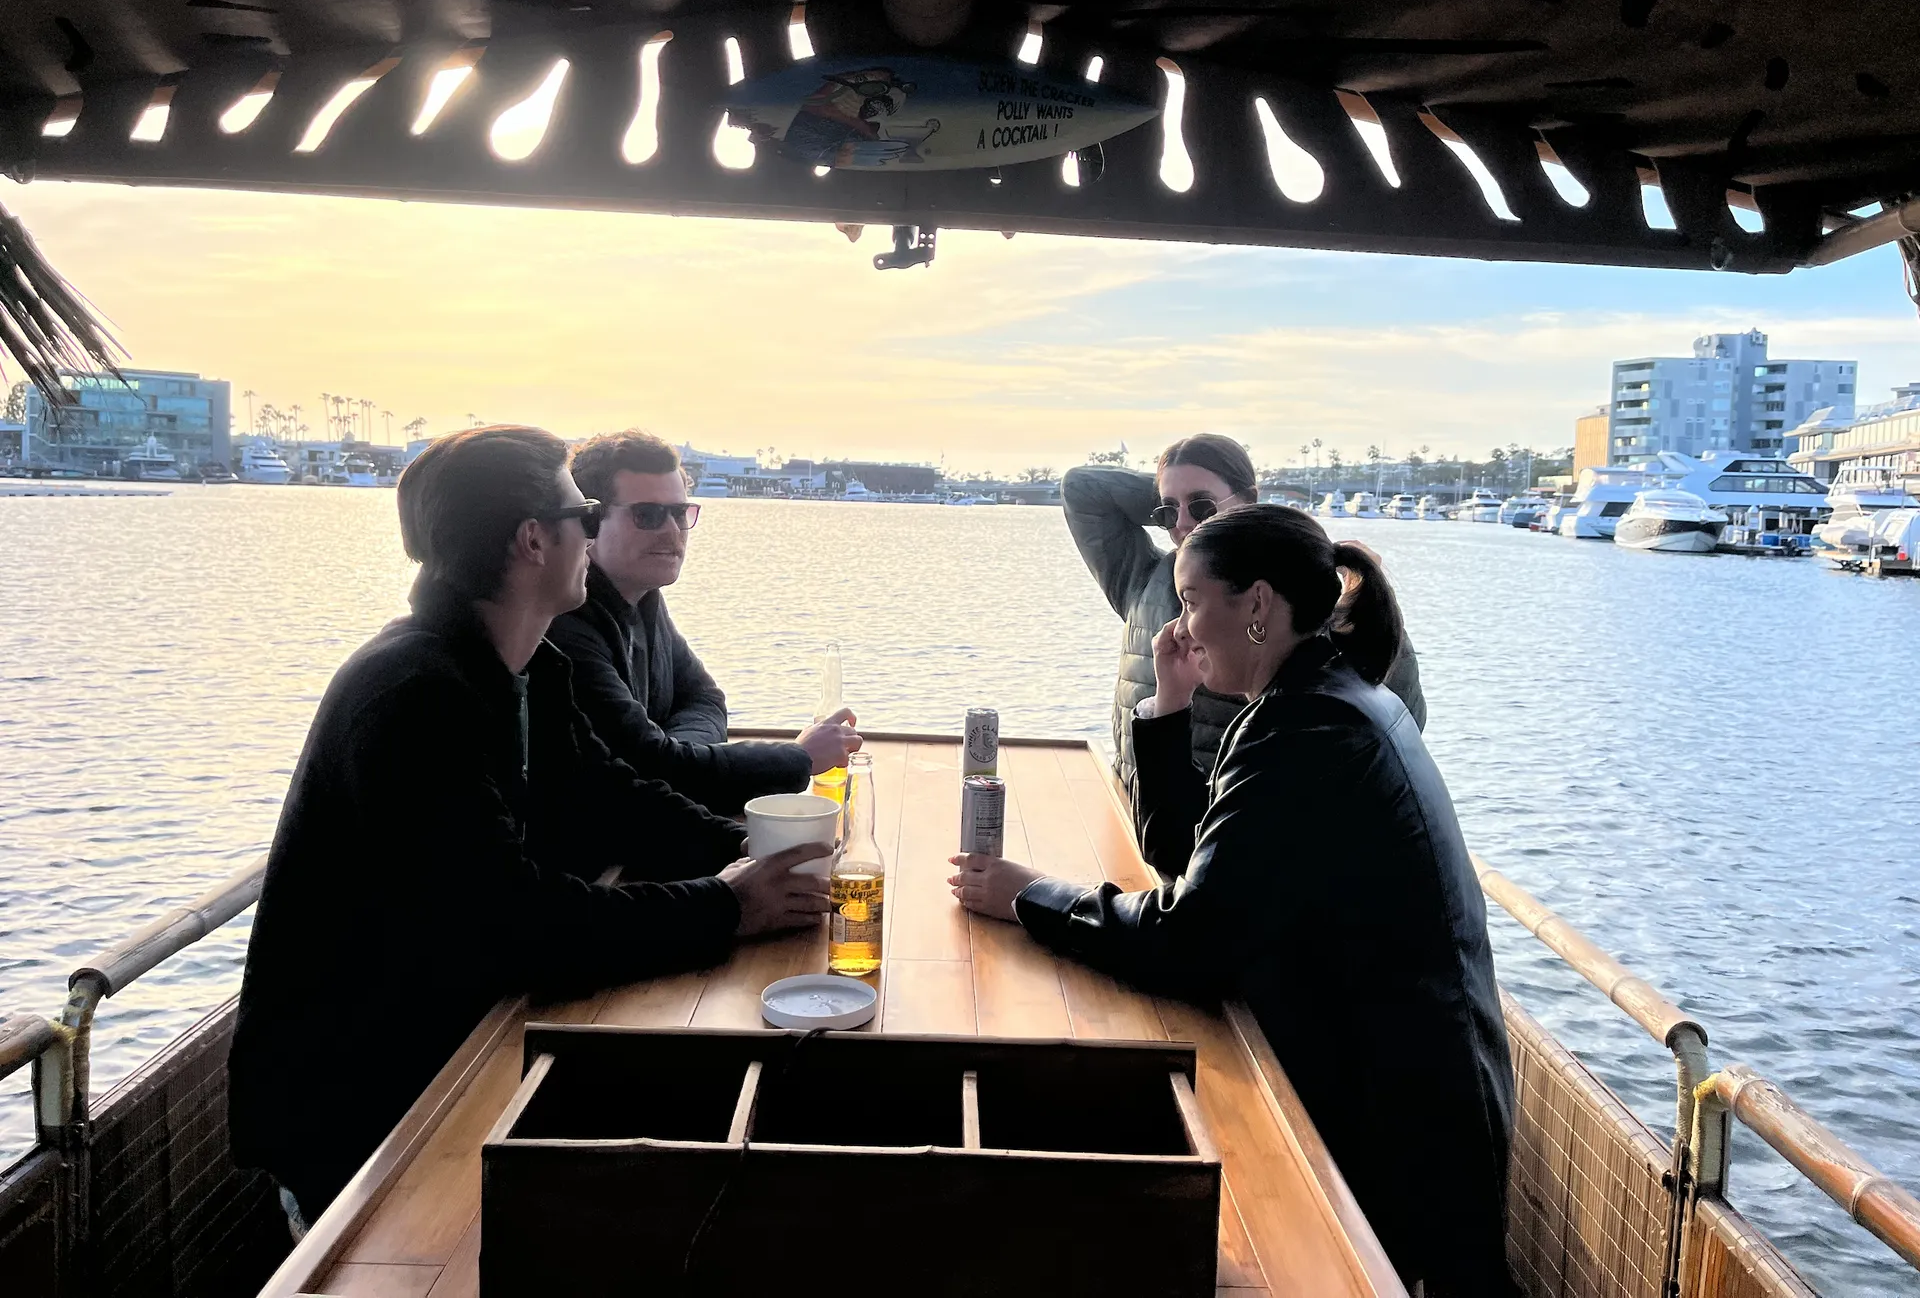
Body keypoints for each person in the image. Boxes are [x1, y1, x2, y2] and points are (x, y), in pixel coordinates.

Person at [228, 426, 830, 1231]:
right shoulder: (413, 693)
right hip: (360, 1103)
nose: (593, 527)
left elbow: (612, 796)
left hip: (456, 1037)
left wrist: (754, 855)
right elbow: (510, 919)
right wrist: (726, 907)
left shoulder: (523, 666)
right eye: (586, 511)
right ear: (534, 538)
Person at [951, 504, 1512, 1296]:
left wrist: (1030, 897)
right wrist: (1171, 705)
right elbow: (1193, 865)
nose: (1179, 626)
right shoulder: (1313, 698)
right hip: (1396, 1066)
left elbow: (1190, 938)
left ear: (1256, 604)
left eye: (1190, 600)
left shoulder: (1312, 729)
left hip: (1404, 1102)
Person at [1062, 434, 1426, 868]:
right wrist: (1179, 493)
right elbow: (1082, 488)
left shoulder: (1293, 597)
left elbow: (1401, 713)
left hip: (1233, 824)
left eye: (1201, 505)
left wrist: (1261, 527)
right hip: (1146, 809)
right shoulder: (1141, 580)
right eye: (1166, 510)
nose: (1182, 524)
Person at [549, 430, 860, 814]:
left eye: (680, 512)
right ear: (591, 523)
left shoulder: (642, 595)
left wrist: (679, 755)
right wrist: (799, 758)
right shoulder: (564, 624)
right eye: (647, 514)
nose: (671, 530)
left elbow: (704, 700)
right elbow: (648, 767)